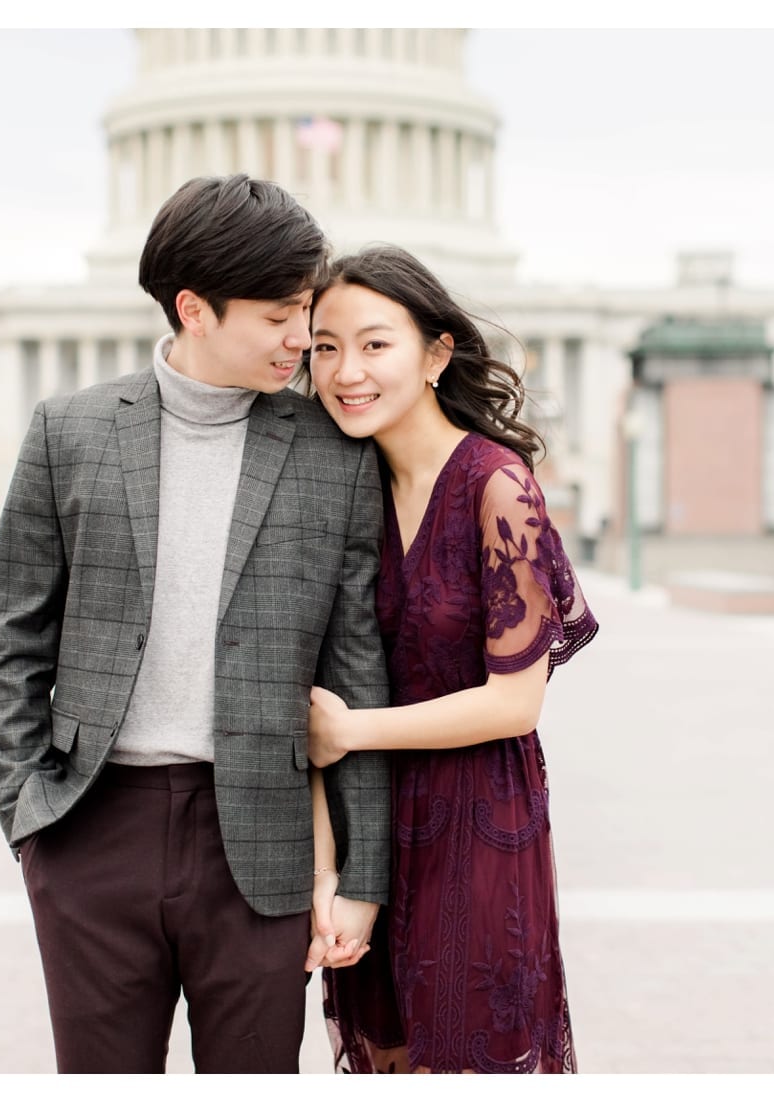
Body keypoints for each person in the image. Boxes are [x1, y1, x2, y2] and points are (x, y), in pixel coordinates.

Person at [0, 174, 391, 1074]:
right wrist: (26, 814)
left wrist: (362, 876)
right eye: (280, 315)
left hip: (263, 843)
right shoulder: (69, 432)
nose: (301, 338)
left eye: (306, 310)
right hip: (91, 831)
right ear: (194, 308)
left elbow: (358, 669)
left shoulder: (335, 455)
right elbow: (14, 632)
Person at [304, 245, 598, 1074]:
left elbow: (516, 702)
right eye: (325, 346)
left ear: (436, 353)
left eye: (374, 344)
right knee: (387, 1061)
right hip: (372, 821)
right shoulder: (343, 485)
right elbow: (312, 702)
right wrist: (327, 871)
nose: (345, 371)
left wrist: (355, 730)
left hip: (475, 818)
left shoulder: (497, 487)